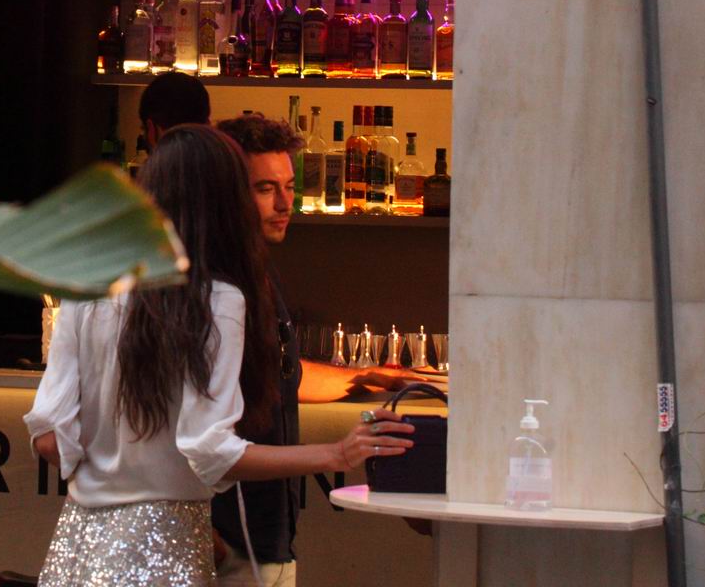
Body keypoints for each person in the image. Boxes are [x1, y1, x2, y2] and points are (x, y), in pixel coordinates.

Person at [25, 125, 414, 586]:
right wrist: (336, 453)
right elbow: (209, 450)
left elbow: (48, 437)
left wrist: (111, 479)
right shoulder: (218, 298)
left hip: (80, 546)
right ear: (225, 200)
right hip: (166, 544)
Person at [210, 113, 447, 585]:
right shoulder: (216, 287)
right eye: (265, 189)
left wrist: (371, 377)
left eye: (288, 186)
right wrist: (338, 453)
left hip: (266, 534)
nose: (284, 203)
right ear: (226, 193)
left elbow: (281, 375)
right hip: (228, 539)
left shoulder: (257, 272)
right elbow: (193, 440)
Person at [137, 70, 209, 151]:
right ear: (207, 124)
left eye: (143, 129)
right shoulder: (218, 155)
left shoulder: (160, 158)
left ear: (151, 130)